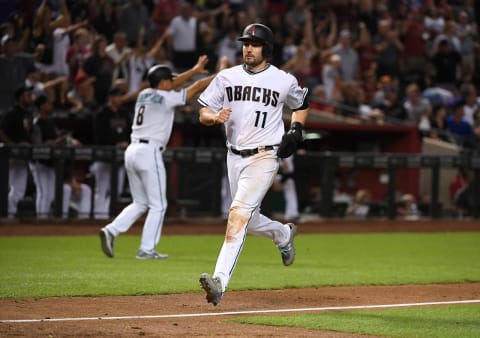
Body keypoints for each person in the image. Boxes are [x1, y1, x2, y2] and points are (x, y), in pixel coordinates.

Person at [196, 23, 309, 306]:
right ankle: (283, 234)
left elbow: (302, 102)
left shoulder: (283, 79)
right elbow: (203, 111)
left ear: (266, 50)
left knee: (237, 215)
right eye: (245, 43)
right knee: (248, 218)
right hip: (233, 156)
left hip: (265, 156)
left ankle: (219, 281)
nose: (248, 47)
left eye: (254, 44)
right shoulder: (227, 77)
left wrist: (296, 130)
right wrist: (212, 118)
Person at [99, 55, 219, 259]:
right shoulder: (166, 97)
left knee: (140, 202)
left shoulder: (144, 93)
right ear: (163, 83)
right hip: (149, 152)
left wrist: (193, 69)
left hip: (132, 151)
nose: (173, 82)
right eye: (169, 81)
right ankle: (146, 250)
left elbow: (173, 82)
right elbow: (197, 87)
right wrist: (222, 75)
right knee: (159, 204)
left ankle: (112, 230)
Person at [90, 87, 132, 219]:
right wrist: (116, 144)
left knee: (117, 191)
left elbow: (131, 132)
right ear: (110, 98)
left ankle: (108, 216)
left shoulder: (124, 113)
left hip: (119, 160)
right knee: (102, 190)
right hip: (103, 158)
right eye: (116, 96)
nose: (119, 99)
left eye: (120, 96)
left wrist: (126, 143)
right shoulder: (102, 114)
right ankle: (98, 218)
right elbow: (99, 136)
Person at [0, 85, 34, 217]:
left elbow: (28, 135)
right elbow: (1, 132)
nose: (30, 98)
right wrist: (13, 146)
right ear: (21, 97)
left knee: (18, 190)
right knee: (11, 187)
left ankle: (10, 214)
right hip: (9, 156)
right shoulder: (12, 113)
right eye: (28, 95)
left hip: (22, 156)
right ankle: (6, 215)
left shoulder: (28, 114)